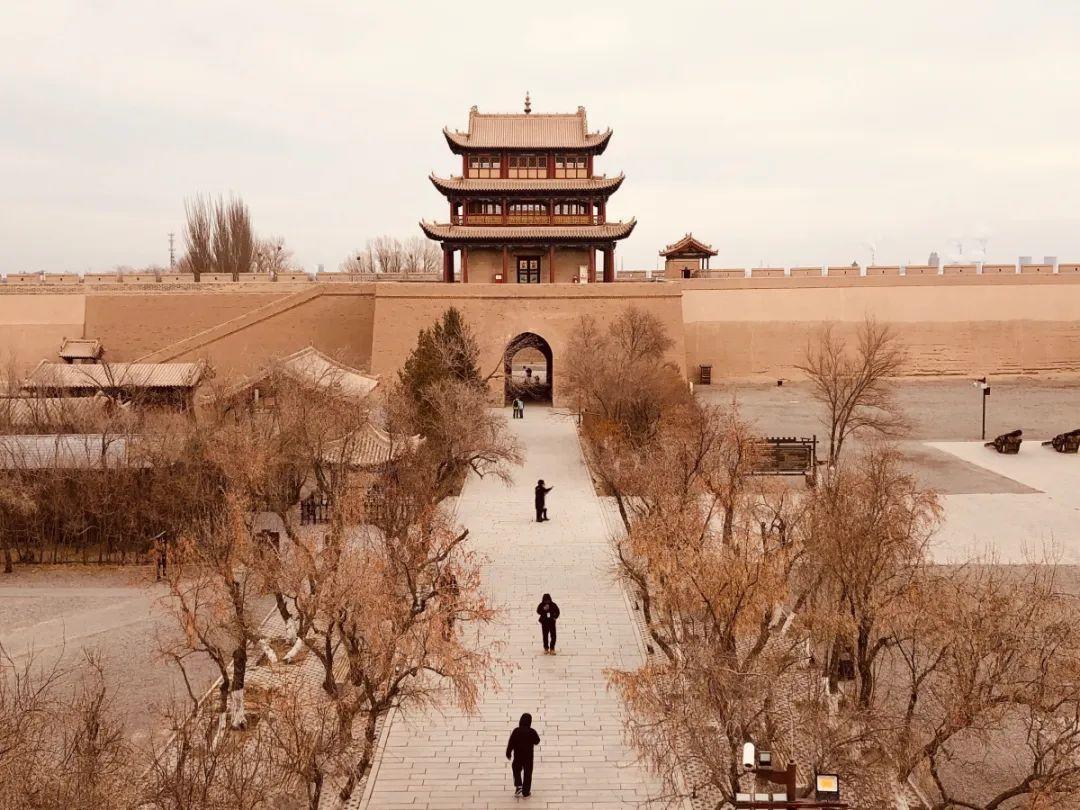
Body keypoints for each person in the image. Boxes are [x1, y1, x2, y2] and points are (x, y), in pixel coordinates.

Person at [505, 712, 541, 797]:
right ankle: (526, 792)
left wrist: (508, 753)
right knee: (528, 773)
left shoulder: (516, 731)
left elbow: (511, 743)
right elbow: (537, 741)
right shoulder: (532, 731)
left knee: (516, 769)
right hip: (528, 757)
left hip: (518, 756)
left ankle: (518, 785)